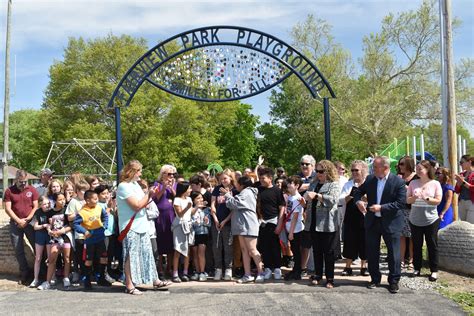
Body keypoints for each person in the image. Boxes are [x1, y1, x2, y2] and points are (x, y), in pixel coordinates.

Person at [353, 156, 406, 294]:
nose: (373, 169)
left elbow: (401, 203)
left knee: (394, 253)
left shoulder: (398, 182)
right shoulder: (371, 179)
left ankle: (393, 281)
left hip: (391, 222)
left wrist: (381, 207)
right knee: (372, 251)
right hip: (373, 222)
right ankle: (375, 278)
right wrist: (358, 201)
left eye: (376, 167)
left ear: (385, 167)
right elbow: (357, 191)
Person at [117, 160, 170, 295]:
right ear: (132, 172)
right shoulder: (123, 186)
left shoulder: (135, 185)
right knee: (130, 255)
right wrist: (149, 194)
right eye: (139, 170)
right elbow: (136, 205)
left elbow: (144, 202)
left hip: (142, 224)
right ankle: (129, 285)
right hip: (130, 226)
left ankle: (155, 279)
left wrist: (151, 194)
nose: (141, 173)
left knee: (147, 253)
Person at [304, 160, 340, 289]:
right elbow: (308, 199)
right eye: (317, 171)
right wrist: (305, 200)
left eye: (321, 171)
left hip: (327, 223)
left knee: (328, 252)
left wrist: (317, 196)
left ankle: (330, 278)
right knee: (317, 251)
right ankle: (318, 275)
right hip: (313, 222)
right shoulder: (313, 183)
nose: (318, 174)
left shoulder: (333, 185)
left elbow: (333, 200)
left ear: (328, 171)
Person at [224, 176, 265, 283]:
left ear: (242, 185)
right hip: (242, 226)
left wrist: (227, 195)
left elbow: (234, 203)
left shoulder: (247, 192)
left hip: (249, 225)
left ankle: (261, 272)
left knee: (252, 250)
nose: (235, 185)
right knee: (244, 250)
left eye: (237, 183)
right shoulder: (245, 192)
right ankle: (247, 275)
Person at [407, 160, 442, 282]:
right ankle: (417, 268)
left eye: (420, 168)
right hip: (415, 219)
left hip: (431, 219)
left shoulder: (435, 183)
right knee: (417, 244)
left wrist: (427, 198)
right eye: (416, 169)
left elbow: (438, 200)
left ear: (427, 170)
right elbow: (407, 201)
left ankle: (434, 270)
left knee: (432, 244)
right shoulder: (413, 183)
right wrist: (414, 197)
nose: (417, 170)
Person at [4, 169, 39, 285]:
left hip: (30, 222)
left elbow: (35, 206)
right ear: (16, 179)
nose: (23, 184)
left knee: (37, 247)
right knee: (18, 248)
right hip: (15, 223)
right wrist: (18, 220)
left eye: (25, 181)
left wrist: (28, 219)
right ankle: (24, 273)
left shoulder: (32, 189)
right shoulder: (9, 191)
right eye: (21, 182)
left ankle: (41, 272)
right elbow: (8, 208)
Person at [73, 190, 111, 290]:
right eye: (94, 199)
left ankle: (101, 278)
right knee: (88, 260)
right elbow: (76, 224)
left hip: (100, 236)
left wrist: (105, 225)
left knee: (103, 258)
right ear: (87, 200)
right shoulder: (82, 212)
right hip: (90, 239)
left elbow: (105, 216)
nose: (97, 200)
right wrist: (84, 231)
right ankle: (87, 280)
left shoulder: (99, 208)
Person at [339, 160, 368, 277]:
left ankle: (364, 267)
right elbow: (341, 199)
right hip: (350, 217)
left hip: (364, 217)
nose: (354, 172)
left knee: (365, 242)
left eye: (357, 170)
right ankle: (348, 267)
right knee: (349, 242)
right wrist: (351, 196)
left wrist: (365, 198)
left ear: (363, 171)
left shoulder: (368, 184)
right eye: (352, 170)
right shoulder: (348, 184)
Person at [38, 193, 72, 290]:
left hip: (65, 238)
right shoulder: (50, 212)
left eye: (63, 199)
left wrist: (63, 231)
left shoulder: (67, 210)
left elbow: (71, 226)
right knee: (52, 259)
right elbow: (48, 225)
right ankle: (47, 282)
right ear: (55, 201)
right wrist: (49, 230)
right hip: (54, 239)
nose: (63, 201)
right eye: (60, 200)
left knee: (67, 258)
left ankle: (66, 278)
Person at [257, 167, 286, 280]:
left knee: (275, 246)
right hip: (262, 222)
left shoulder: (277, 191)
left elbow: (282, 207)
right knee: (264, 246)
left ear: (270, 178)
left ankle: (277, 268)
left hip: (274, 221)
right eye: (260, 178)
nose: (261, 180)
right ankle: (268, 268)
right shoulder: (258, 189)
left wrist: (279, 224)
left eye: (263, 178)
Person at [211, 169, 236, 281]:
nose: (223, 180)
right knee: (217, 246)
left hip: (229, 222)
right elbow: (213, 205)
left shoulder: (234, 190)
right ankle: (218, 269)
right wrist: (216, 220)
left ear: (231, 178)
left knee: (228, 246)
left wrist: (225, 221)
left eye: (225, 178)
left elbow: (234, 209)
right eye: (221, 179)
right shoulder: (216, 189)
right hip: (216, 222)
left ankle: (228, 269)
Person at [154, 164, 177, 277]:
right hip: (160, 216)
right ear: (163, 174)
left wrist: (171, 188)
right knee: (160, 243)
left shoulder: (175, 184)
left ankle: (170, 267)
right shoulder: (157, 184)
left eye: (173, 174)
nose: (171, 176)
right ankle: (160, 269)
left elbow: (178, 197)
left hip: (171, 216)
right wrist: (164, 187)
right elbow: (156, 198)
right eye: (169, 174)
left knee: (170, 243)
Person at [65, 180, 89, 284]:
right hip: (80, 234)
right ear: (78, 191)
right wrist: (80, 212)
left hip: (91, 232)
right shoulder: (73, 202)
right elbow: (69, 217)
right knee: (80, 256)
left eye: (87, 190)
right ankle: (81, 274)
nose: (85, 193)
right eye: (83, 190)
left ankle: (89, 274)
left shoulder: (89, 200)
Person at [171, 182, 196, 283]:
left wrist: (197, 207)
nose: (190, 190)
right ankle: (175, 273)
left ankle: (185, 272)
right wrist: (187, 207)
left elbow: (190, 213)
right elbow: (180, 214)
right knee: (178, 249)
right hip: (179, 226)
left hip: (188, 225)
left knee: (187, 249)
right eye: (189, 188)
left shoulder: (189, 199)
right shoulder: (177, 200)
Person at [297, 154, 317, 276]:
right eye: (302, 164)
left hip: (313, 213)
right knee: (302, 243)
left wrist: (307, 186)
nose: (304, 166)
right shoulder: (296, 177)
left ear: (313, 166)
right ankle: (302, 268)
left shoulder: (317, 177)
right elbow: (289, 189)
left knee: (314, 242)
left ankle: (314, 267)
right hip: (297, 214)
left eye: (307, 164)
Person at [397, 156, 417, 273]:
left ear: (409, 164)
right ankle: (401, 261)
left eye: (403, 164)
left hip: (412, 209)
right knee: (401, 236)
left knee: (412, 236)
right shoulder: (398, 177)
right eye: (400, 164)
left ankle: (411, 260)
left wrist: (406, 187)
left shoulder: (415, 177)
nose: (400, 166)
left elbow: (417, 191)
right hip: (400, 209)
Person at [283, 176, 305, 281]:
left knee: (296, 252)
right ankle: (295, 270)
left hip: (296, 229)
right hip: (289, 228)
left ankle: (297, 272)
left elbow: (295, 217)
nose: (288, 185)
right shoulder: (291, 197)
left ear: (297, 185)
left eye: (291, 183)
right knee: (294, 250)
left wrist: (291, 232)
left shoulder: (297, 198)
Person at [95, 184, 117, 283]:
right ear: (98, 195)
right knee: (104, 255)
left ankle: (108, 272)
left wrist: (113, 207)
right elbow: (102, 218)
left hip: (111, 232)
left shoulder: (109, 203)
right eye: (103, 194)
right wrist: (108, 208)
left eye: (107, 193)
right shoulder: (98, 205)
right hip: (103, 233)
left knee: (110, 254)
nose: (106, 195)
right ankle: (101, 275)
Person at [30, 196, 53, 288]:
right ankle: (35, 279)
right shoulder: (38, 212)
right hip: (40, 235)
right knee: (38, 258)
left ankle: (51, 277)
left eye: (48, 203)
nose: (47, 205)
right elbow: (35, 227)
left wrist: (49, 225)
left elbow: (53, 224)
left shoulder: (51, 212)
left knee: (49, 257)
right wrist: (44, 225)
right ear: (40, 205)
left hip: (49, 235)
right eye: (44, 204)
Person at [189, 191, 211, 282]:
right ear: (193, 200)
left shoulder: (206, 209)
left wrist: (206, 221)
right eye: (198, 198)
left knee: (201, 253)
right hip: (194, 234)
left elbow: (209, 224)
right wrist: (195, 223)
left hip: (203, 233)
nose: (200, 200)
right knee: (194, 253)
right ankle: (197, 271)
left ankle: (202, 272)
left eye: (201, 198)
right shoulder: (191, 209)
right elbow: (189, 221)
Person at [137, 180, 160, 266]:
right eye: (141, 188)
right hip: (140, 232)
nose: (143, 190)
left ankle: (154, 273)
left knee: (154, 253)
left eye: (145, 187)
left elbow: (156, 213)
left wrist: (146, 212)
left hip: (151, 232)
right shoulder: (136, 200)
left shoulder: (150, 200)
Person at [454, 155, 474, 223]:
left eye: (461, 162)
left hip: (472, 202)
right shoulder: (462, 174)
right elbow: (456, 190)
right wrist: (459, 183)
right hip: (462, 202)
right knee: (463, 225)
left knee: (471, 225)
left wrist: (462, 182)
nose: (460, 164)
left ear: (469, 162)